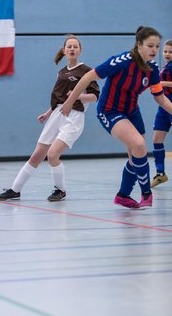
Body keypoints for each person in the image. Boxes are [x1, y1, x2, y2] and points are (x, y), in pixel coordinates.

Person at [61, 26, 172, 209]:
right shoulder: (121, 61)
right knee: (139, 144)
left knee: (136, 155)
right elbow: (88, 77)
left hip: (132, 111)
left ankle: (123, 195)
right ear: (139, 45)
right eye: (150, 45)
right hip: (109, 110)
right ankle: (146, 193)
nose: (154, 50)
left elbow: (160, 98)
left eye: (157, 46)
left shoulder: (152, 69)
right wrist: (69, 102)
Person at [0, 35, 100, 202]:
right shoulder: (62, 72)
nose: (72, 49)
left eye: (75, 46)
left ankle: (61, 190)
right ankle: (15, 190)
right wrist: (48, 112)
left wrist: (77, 97)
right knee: (36, 155)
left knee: (52, 155)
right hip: (57, 114)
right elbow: (58, 99)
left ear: (80, 50)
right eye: (69, 46)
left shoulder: (86, 70)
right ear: (64, 50)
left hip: (73, 117)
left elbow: (95, 97)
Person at [151, 39, 172, 188]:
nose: (167, 54)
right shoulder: (165, 66)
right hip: (163, 106)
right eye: (165, 51)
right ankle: (160, 174)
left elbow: (162, 83)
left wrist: (161, 83)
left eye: (170, 51)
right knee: (157, 140)